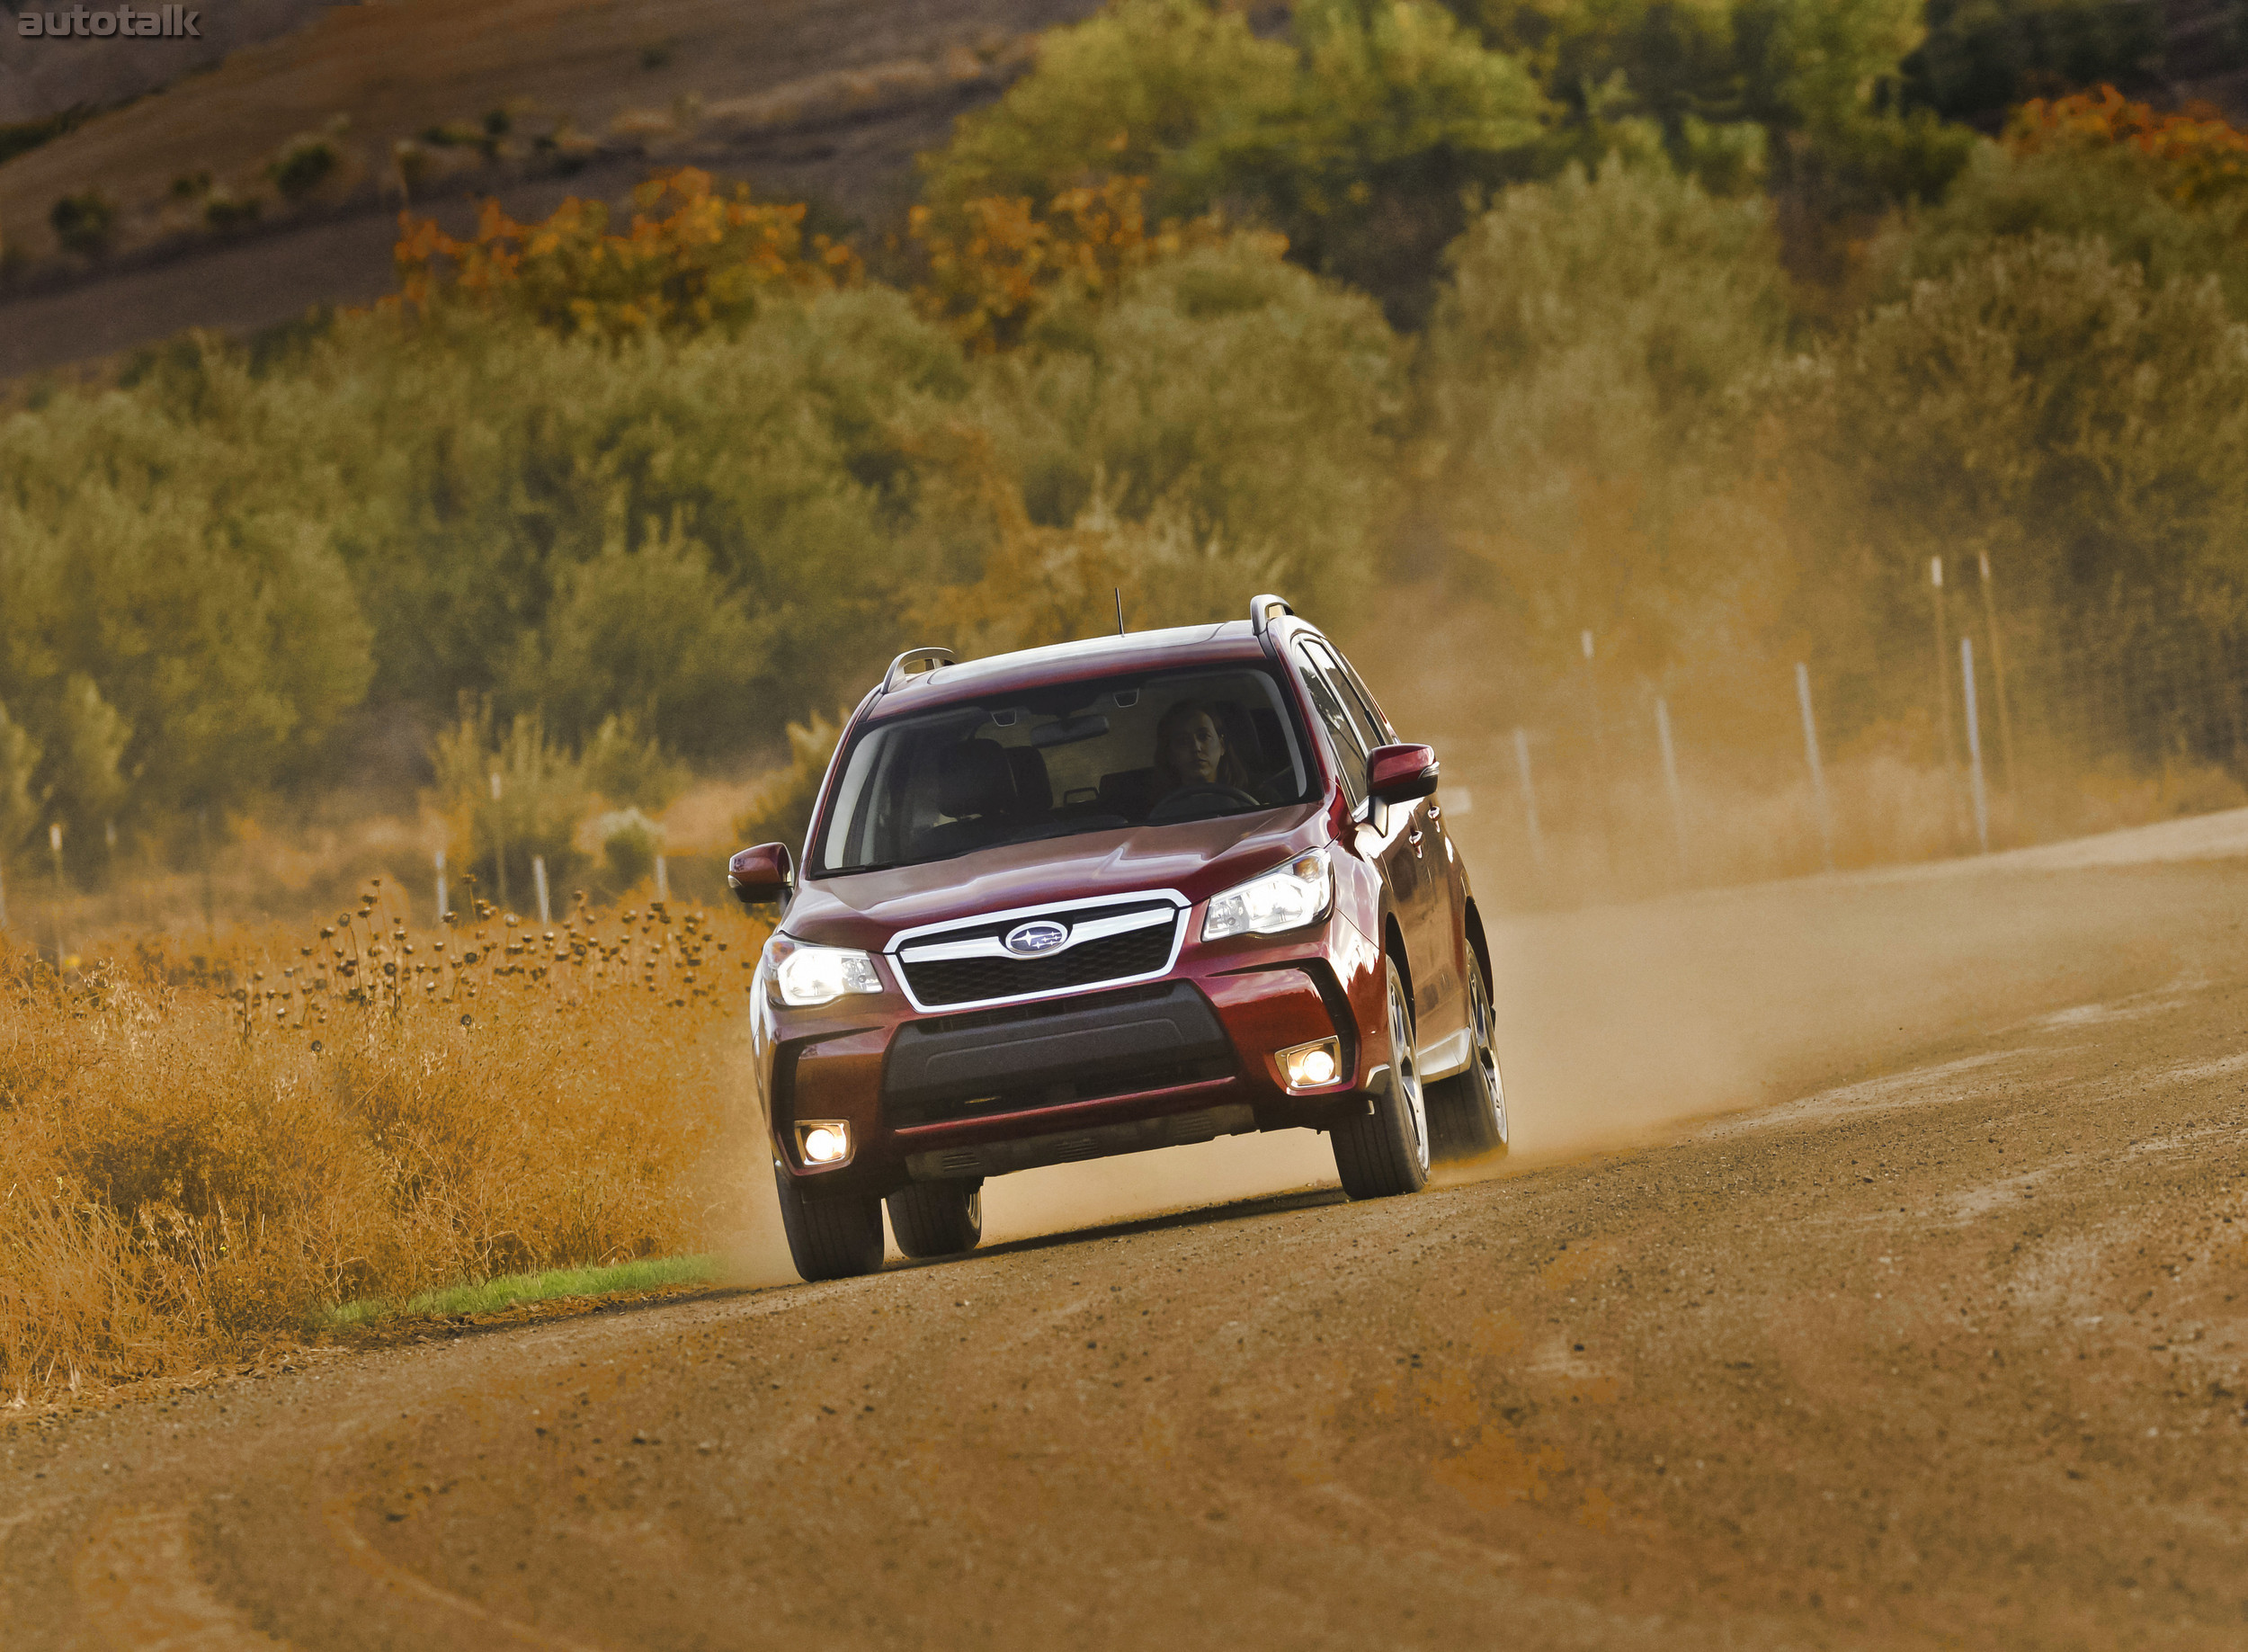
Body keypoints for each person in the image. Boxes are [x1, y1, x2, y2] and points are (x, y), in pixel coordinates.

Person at [1151, 699, 1249, 804]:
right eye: (1183, 741)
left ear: (1222, 746)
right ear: (1170, 755)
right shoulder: (1158, 811)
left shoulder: (1256, 797)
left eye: (1204, 736)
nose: (1196, 747)